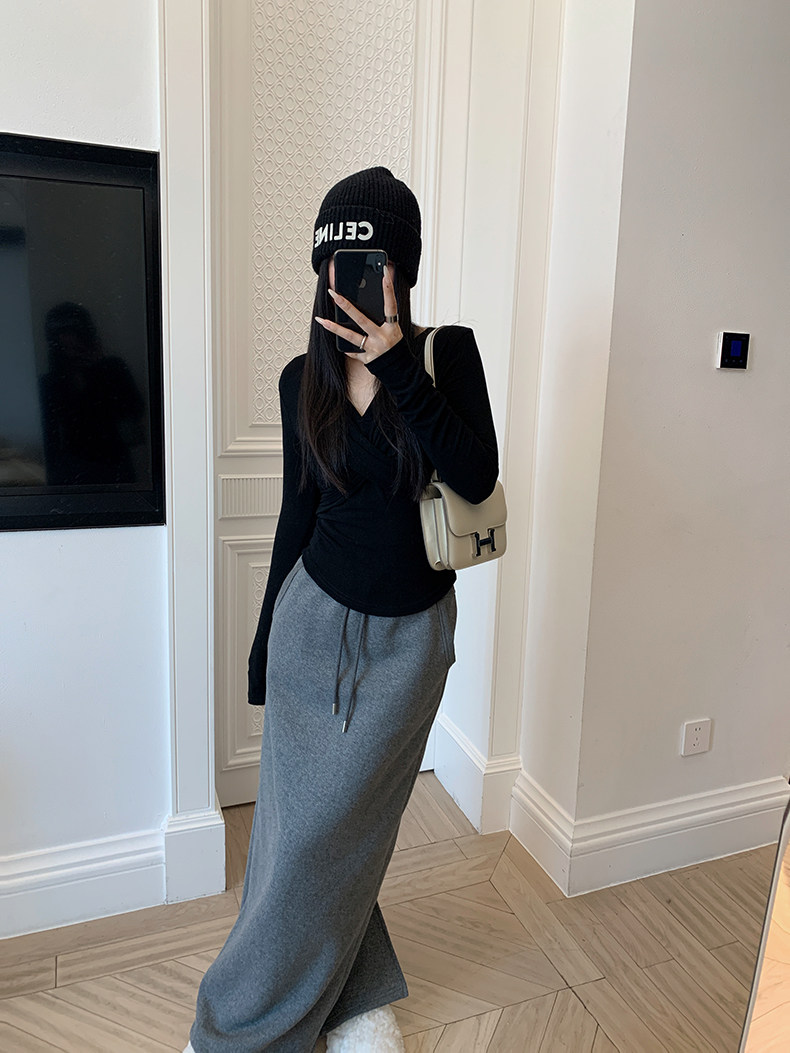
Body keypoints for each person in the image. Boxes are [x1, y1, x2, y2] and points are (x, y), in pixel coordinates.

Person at [185, 166, 499, 1053]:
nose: (350, 280)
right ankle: (323, 1010)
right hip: (309, 628)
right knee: (293, 838)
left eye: (372, 263)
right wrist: (262, 642)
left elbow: (477, 476)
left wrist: (397, 365)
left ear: (403, 270)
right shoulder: (303, 379)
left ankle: (252, 1019)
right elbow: (298, 514)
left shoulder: (445, 354)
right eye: (335, 262)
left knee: (343, 835)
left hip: (410, 644)